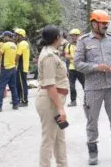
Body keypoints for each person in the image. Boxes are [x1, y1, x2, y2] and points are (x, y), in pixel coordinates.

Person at [74, 10, 111, 165]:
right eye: (103, 23)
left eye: (107, 23)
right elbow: (77, 64)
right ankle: (93, 152)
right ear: (94, 23)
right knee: (92, 120)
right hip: (93, 88)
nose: (106, 26)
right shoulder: (83, 41)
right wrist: (97, 67)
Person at [35, 25, 69, 167]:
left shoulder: (52, 52)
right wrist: (60, 109)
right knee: (48, 140)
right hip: (51, 101)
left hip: (55, 100)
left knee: (59, 140)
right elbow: (50, 86)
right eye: (61, 34)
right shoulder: (49, 56)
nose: (62, 36)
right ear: (57, 38)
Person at [65, 28, 85, 107]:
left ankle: (87, 100)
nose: (73, 37)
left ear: (78, 36)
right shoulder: (69, 45)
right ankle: (73, 101)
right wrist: (73, 57)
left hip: (80, 68)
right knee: (71, 86)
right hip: (71, 68)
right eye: (72, 36)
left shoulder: (83, 45)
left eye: (74, 36)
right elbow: (66, 55)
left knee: (85, 85)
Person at [14, 28, 30, 107]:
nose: (15, 36)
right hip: (23, 66)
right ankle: (19, 98)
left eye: (16, 35)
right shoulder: (24, 43)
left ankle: (24, 101)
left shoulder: (22, 44)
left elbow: (17, 57)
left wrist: (13, 65)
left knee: (22, 84)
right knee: (19, 84)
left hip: (21, 67)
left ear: (20, 36)